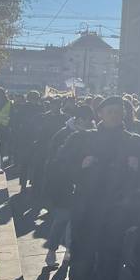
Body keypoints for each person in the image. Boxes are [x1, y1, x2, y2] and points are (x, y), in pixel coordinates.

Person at [59, 96, 140, 280]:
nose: (114, 115)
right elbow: (58, 168)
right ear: (99, 114)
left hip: (117, 218)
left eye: (118, 111)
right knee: (80, 269)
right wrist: (79, 166)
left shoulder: (137, 144)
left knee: (108, 272)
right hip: (87, 216)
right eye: (109, 111)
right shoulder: (82, 139)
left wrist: (139, 172)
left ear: (124, 114)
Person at [42, 105, 95, 268]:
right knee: (61, 220)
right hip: (64, 186)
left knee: (75, 222)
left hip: (83, 187)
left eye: (90, 121)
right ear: (77, 120)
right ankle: (51, 250)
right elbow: (54, 162)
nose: (88, 124)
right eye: (85, 121)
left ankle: (69, 251)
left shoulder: (93, 136)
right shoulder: (63, 135)